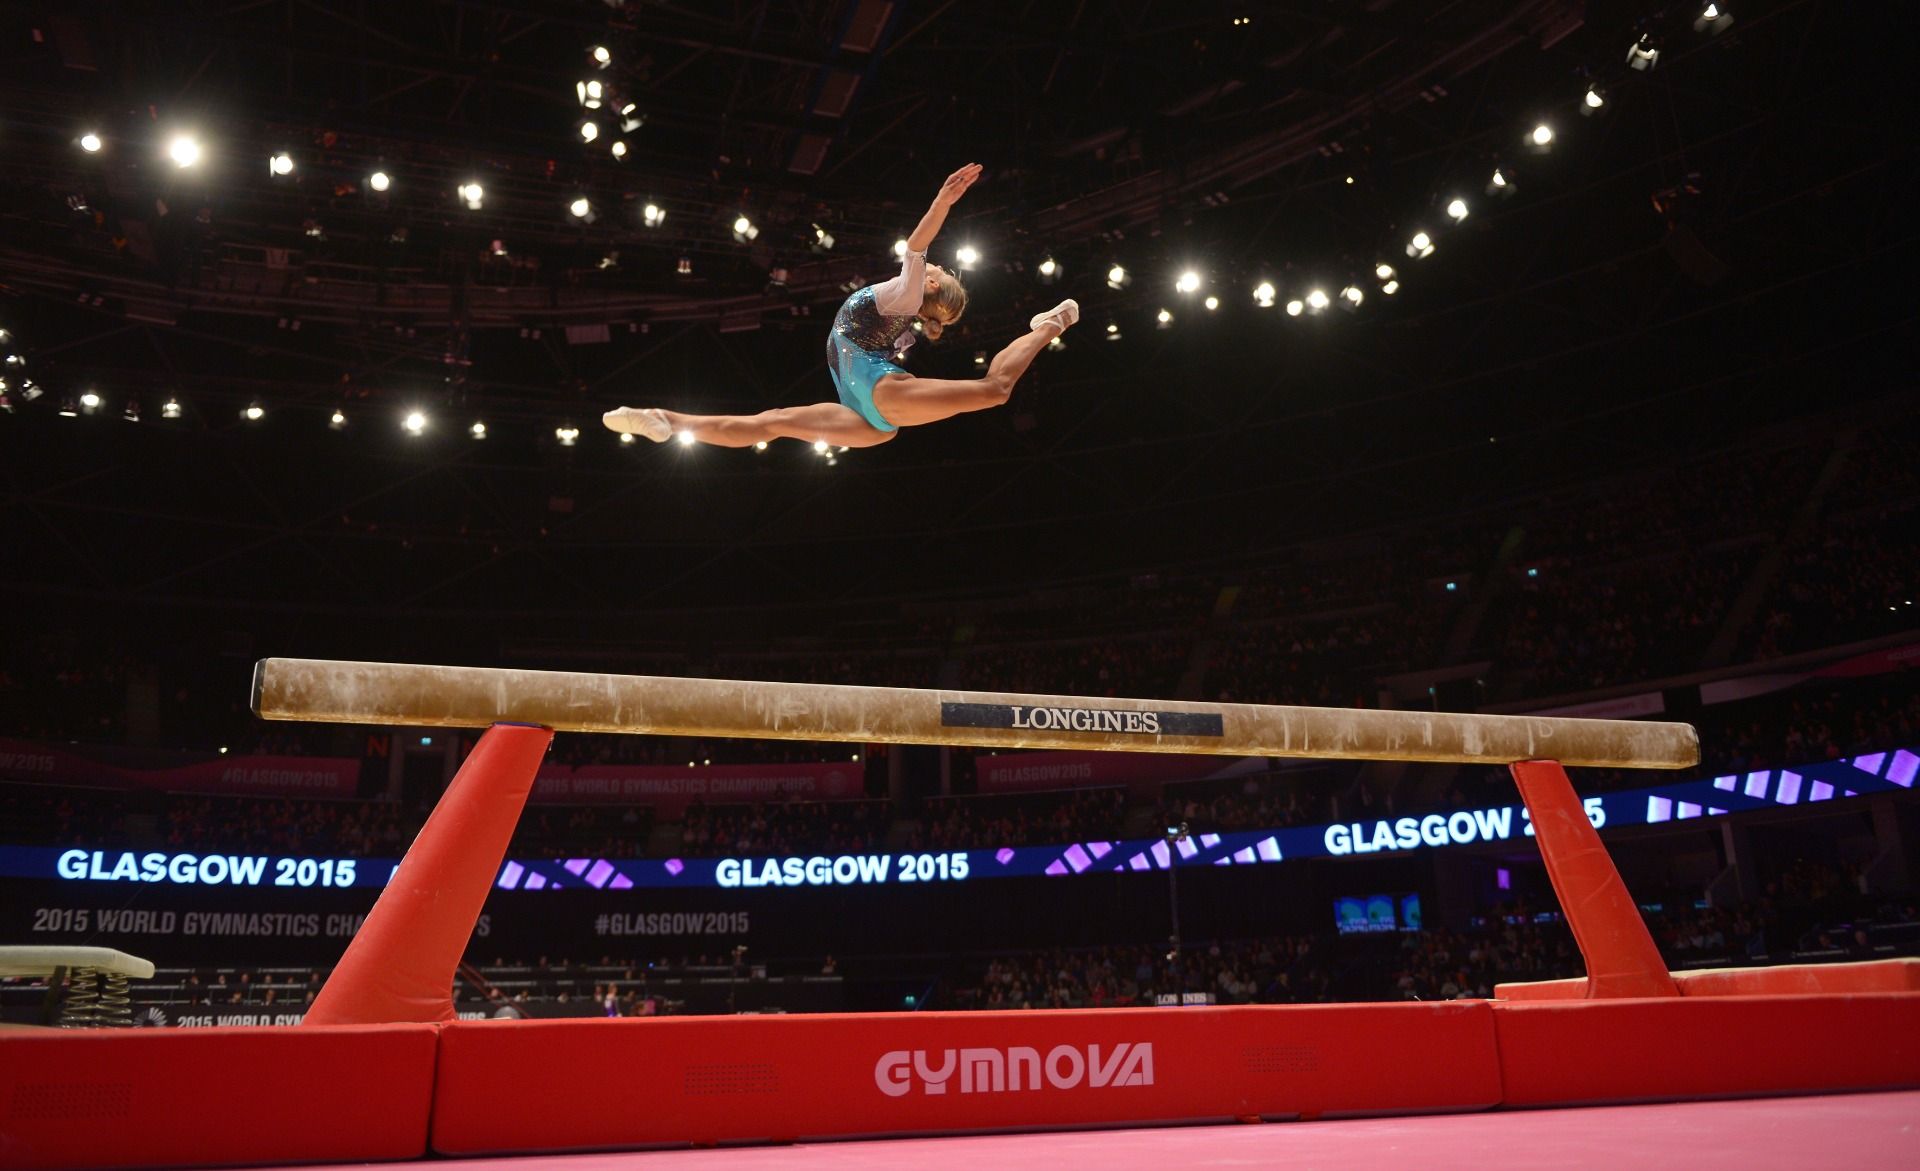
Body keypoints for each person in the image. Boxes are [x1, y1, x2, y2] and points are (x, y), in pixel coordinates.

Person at [604, 163, 1079, 448]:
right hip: (864, 409)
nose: (935, 267)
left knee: (995, 390)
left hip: (875, 394)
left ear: (933, 284)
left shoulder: (911, 292)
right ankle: (664, 420)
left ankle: (1047, 324)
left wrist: (943, 200)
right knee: (769, 424)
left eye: (939, 272)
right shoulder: (903, 306)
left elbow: (916, 245)